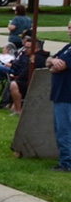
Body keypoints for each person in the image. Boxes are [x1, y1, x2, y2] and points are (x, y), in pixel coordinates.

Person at [45, 20, 71, 170]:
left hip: (67, 95)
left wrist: (53, 64)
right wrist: (53, 61)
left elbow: (57, 68)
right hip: (59, 94)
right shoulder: (68, 47)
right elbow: (49, 62)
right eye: (68, 27)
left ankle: (66, 163)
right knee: (60, 129)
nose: (69, 30)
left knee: (64, 130)